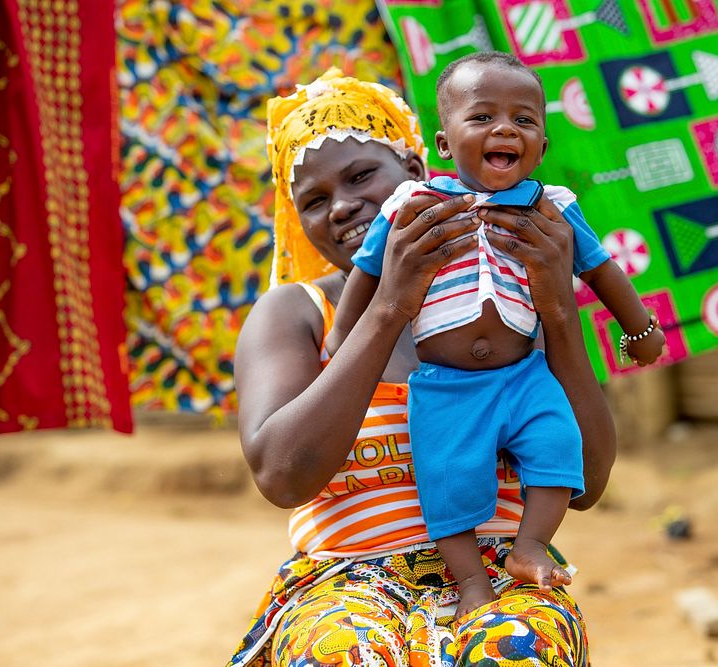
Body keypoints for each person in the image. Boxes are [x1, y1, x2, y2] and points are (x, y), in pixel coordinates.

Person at [228, 68, 617, 666]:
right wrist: (389, 306)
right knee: (344, 653)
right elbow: (282, 478)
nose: (342, 206)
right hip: (344, 583)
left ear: (417, 174)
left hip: (502, 575)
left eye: (361, 176)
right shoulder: (296, 314)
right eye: (313, 201)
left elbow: (586, 485)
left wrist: (559, 311)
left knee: (516, 651)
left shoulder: (510, 299)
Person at [326, 52, 665, 618]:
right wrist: (340, 335)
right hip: (445, 385)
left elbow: (603, 269)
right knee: (446, 480)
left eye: (525, 121)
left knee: (558, 447)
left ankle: (529, 546)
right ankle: (471, 583)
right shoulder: (413, 204)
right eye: (482, 117)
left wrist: (642, 329)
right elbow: (367, 268)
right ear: (442, 144)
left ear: (543, 147)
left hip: (525, 376)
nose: (505, 129)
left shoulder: (552, 207)